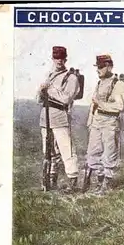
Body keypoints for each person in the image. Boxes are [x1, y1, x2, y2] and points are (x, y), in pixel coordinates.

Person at [37, 46, 80, 192]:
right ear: (52, 59)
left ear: (65, 59)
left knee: (66, 150)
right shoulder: (49, 75)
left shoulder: (71, 77)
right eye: (56, 58)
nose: (58, 61)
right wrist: (41, 91)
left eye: (61, 58)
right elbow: (38, 99)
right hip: (45, 117)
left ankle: (73, 182)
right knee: (48, 151)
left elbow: (66, 99)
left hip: (60, 117)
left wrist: (49, 89)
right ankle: (51, 180)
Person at [83, 54, 124, 195]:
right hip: (97, 120)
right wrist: (90, 120)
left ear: (109, 66)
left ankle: (105, 186)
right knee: (93, 152)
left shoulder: (118, 84)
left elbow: (120, 107)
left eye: (101, 67)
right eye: (97, 67)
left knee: (109, 154)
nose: (98, 70)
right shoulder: (100, 82)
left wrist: (100, 104)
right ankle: (98, 182)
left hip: (110, 121)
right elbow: (94, 104)